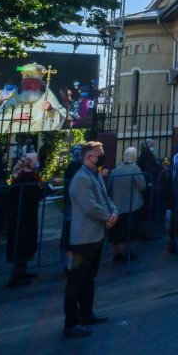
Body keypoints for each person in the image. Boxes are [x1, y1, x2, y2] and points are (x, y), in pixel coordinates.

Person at [63, 142, 117, 338]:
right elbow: (90, 206)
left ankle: (86, 313)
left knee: (89, 277)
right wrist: (108, 217)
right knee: (76, 280)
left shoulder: (95, 174)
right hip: (84, 237)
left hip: (96, 235)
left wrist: (114, 212)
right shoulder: (81, 178)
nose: (102, 156)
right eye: (99, 154)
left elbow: (105, 198)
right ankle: (70, 323)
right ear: (89, 157)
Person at [5, 153, 45, 288]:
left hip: (25, 214)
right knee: (22, 244)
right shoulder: (25, 178)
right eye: (36, 160)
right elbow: (35, 194)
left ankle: (22, 272)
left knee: (26, 243)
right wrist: (46, 189)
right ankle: (15, 276)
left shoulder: (26, 175)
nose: (37, 163)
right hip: (22, 216)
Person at [108, 147, 146, 262]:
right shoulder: (134, 168)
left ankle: (116, 253)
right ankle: (126, 253)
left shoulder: (116, 169)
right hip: (131, 205)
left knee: (116, 231)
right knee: (128, 231)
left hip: (116, 205)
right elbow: (142, 185)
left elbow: (110, 186)